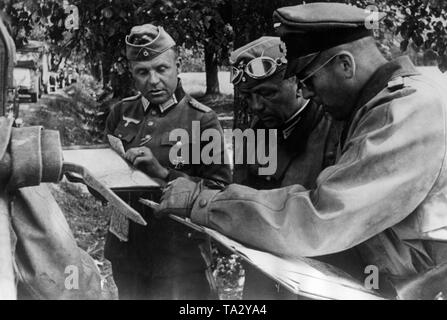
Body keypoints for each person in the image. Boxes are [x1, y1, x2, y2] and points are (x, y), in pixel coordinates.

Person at [157, 2, 447, 299]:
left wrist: (206, 204)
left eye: (308, 80)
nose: (305, 91)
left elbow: (323, 218)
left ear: (345, 65)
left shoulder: (406, 109)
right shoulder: (370, 109)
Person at [104, 24, 231, 299]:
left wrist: (163, 173)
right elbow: (105, 187)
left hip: (181, 260)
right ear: (132, 73)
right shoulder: (119, 113)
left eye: (161, 69)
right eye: (142, 71)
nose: (152, 80)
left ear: (178, 65)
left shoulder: (201, 120)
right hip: (128, 255)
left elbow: (219, 193)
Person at [229, 36, 363, 299]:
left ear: (297, 82)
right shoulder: (253, 135)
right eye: (249, 96)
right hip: (263, 279)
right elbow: (240, 200)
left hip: (322, 280)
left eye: (267, 93)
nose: (256, 106)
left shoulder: (334, 129)